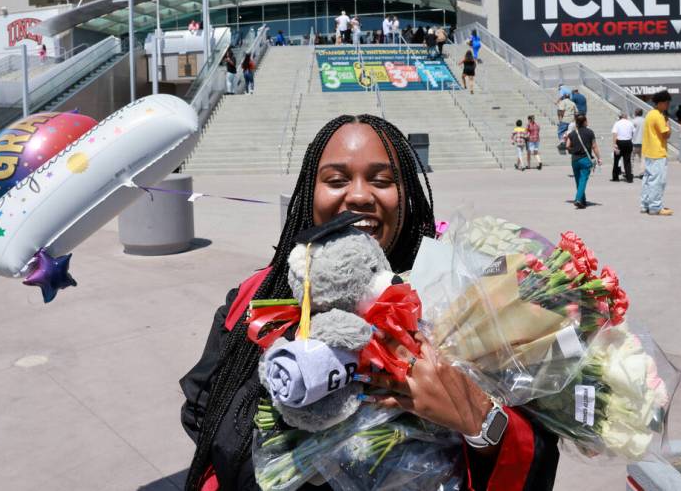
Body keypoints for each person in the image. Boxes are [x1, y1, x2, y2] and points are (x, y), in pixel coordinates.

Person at [180, 115, 560, 491]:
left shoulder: (463, 304)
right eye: (335, 180)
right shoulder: (258, 302)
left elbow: (536, 453)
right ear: (309, 194)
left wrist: (478, 418)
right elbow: (206, 416)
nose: (360, 195)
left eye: (381, 180)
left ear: (407, 195)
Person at [641, 90, 673, 216]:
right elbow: (666, 134)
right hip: (657, 152)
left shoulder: (650, 114)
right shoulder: (659, 116)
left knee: (648, 180)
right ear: (660, 103)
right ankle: (655, 206)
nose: (668, 105)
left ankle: (645, 204)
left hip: (649, 152)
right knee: (657, 181)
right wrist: (668, 124)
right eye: (666, 103)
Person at [565, 114, 602, 209]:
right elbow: (594, 146)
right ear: (585, 122)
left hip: (574, 160)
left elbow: (567, 146)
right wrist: (599, 158)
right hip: (585, 159)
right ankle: (578, 199)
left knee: (578, 181)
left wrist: (573, 150)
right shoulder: (590, 132)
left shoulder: (572, 133)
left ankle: (583, 201)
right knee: (583, 180)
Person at [611, 112, 635, 182]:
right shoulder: (630, 123)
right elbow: (633, 132)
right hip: (628, 142)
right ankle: (629, 178)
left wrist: (614, 144)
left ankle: (615, 177)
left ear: (620, 117)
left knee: (616, 160)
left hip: (619, 143)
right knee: (627, 161)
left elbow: (615, 134)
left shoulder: (617, 123)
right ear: (626, 117)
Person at [631, 108, 645, 178]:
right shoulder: (645, 121)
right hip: (643, 143)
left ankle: (630, 172)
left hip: (634, 142)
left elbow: (630, 132)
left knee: (631, 158)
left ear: (635, 113)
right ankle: (642, 173)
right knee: (643, 159)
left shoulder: (633, 121)